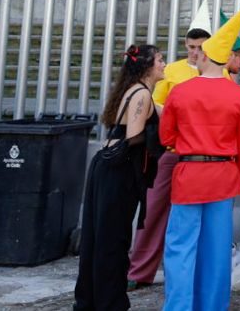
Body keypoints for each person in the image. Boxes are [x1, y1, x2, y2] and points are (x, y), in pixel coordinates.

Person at [158, 7, 240, 311]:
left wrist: (184, 147)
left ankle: (178, 307)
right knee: (216, 250)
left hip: (189, 172)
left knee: (180, 247)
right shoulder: (239, 96)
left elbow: (166, 137)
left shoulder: (181, 92)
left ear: (201, 56)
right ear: (226, 60)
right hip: (224, 175)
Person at [128, 2, 216, 290]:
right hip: (172, 151)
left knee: (197, 217)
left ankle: (192, 273)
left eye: (200, 47)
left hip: (203, 155)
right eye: (191, 46)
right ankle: (139, 269)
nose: (195, 52)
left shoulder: (219, 73)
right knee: (153, 212)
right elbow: (155, 105)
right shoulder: (173, 71)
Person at [75, 44, 164, 311]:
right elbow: (133, 137)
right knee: (113, 240)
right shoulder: (142, 95)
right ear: (148, 66)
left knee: (99, 237)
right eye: (160, 59)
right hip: (120, 170)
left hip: (106, 167)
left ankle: (92, 300)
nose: (163, 64)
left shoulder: (133, 90)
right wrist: (159, 139)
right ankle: (110, 303)